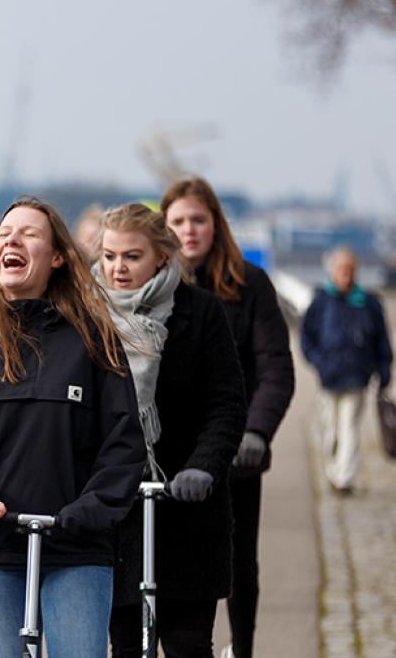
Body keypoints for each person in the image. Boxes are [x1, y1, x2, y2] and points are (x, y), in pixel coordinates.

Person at [0, 195, 146, 658]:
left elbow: (124, 445)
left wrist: (88, 511)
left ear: (56, 257)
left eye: (29, 233)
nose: (11, 239)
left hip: (77, 549)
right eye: (4, 233)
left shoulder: (94, 342)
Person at [91, 204, 247, 658]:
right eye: (110, 255)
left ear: (161, 256)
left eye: (132, 256)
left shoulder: (201, 313)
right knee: (126, 645)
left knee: (188, 643)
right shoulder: (88, 316)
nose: (118, 268)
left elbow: (226, 404)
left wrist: (203, 467)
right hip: (117, 513)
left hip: (187, 510)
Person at [161, 176, 295, 658]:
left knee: (240, 564)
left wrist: (256, 430)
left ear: (216, 224)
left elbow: (275, 366)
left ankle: (242, 647)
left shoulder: (249, 283)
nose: (189, 230)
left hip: (235, 449)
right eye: (177, 221)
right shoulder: (153, 286)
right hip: (170, 453)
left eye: (198, 219)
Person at [300, 246, 394, 496]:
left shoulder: (368, 303)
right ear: (332, 271)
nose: (346, 275)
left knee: (349, 428)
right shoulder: (320, 302)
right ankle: (332, 471)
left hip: (357, 376)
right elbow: (307, 338)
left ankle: (345, 478)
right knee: (330, 430)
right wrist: (318, 361)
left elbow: (382, 340)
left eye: (350, 270)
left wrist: (384, 370)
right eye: (341, 270)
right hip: (329, 377)